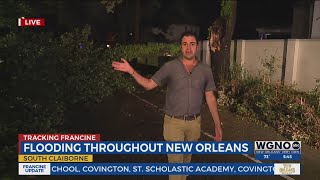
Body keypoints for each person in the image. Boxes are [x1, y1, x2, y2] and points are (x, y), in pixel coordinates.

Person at [112, 31, 223, 180]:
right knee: (176, 168)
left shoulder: (205, 70)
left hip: (195, 124)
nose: (188, 48)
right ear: (180, 47)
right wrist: (131, 71)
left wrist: (217, 124)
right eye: (185, 44)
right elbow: (149, 84)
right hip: (173, 124)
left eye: (192, 44)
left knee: (186, 163)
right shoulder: (170, 67)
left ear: (197, 47)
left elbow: (210, 97)